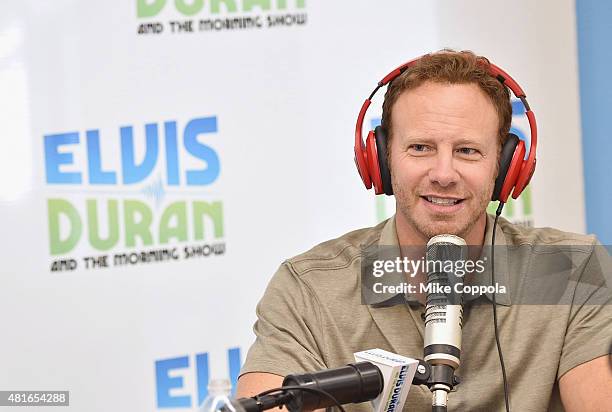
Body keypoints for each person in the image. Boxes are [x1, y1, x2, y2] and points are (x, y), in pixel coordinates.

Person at [236, 50, 612, 411]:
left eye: (467, 150)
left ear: (505, 164)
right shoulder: (308, 288)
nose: (444, 174)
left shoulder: (569, 270)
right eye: (420, 147)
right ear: (381, 158)